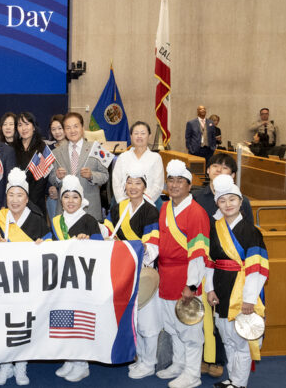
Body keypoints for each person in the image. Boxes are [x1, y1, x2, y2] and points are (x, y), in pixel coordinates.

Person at [205, 175, 269, 388]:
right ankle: (232, 379)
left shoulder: (251, 232)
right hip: (222, 288)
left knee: (241, 341)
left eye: (232, 199)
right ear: (217, 204)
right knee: (227, 338)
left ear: (241, 202)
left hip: (242, 291)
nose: (228, 204)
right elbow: (209, 262)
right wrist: (210, 289)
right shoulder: (215, 228)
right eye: (222, 201)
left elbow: (257, 269)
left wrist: (250, 299)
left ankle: (240, 383)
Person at [152, 160, 210, 388]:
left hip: (186, 276)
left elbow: (199, 253)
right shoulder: (165, 207)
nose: (175, 185)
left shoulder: (197, 213)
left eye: (180, 181)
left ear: (189, 185)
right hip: (166, 275)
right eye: (171, 180)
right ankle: (178, 363)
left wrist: (192, 285)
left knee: (190, 329)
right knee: (172, 325)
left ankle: (192, 374)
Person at [101, 165, 161, 380]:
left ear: (144, 187)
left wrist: (138, 249)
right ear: (124, 185)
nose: (133, 187)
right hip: (124, 271)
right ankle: (141, 357)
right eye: (130, 182)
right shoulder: (119, 207)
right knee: (133, 318)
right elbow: (107, 231)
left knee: (148, 321)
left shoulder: (150, 210)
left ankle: (150, 362)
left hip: (143, 271)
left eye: (138, 183)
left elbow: (152, 245)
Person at [43, 174, 103, 383]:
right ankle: (70, 357)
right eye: (66, 197)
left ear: (81, 199)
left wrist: (87, 243)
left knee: (80, 320)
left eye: (74, 197)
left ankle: (82, 363)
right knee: (64, 319)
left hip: (82, 282)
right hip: (61, 280)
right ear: (61, 200)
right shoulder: (57, 221)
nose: (70, 201)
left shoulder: (89, 221)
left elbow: (100, 252)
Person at [48, 112, 109, 221]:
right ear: (65, 131)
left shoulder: (96, 148)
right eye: (68, 128)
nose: (72, 131)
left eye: (76, 126)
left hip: (89, 209)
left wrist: (91, 176)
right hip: (65, 210)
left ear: (82, 128)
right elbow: (52, 179)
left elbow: (105, 176)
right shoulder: (56, 152)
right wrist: (57, 177)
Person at [0, 168, 50, 244]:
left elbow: (49, 242)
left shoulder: (37, 220)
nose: (15, 200)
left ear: (26, 199)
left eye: (19, 195)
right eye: (11, 195)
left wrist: (42, 245)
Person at [111, 121, 164, 205]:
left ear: (149, 136)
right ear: (131, 136)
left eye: (143, 133)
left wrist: (142, 202)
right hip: (124, 201)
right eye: (136, 133)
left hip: (149, 202)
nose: (139, 136)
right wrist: (123, 201)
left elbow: (158, 185)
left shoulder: (156, 158)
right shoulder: (123, 157)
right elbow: (116, 182)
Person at [193, 153, 254, 225]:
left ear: (232, 175)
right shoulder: (195, 197)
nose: (218, 170)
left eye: (225, 168)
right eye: (215, 166)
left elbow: (249, 231)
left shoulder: (242, 201)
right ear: (208, 170)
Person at [13, 112, 48, 215]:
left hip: (35, 203)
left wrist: (27, 201)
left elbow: (42, 180)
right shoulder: (12, 148)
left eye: (27, 124)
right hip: (15, 203)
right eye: (20, 125)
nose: (24, 128)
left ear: (33, 127)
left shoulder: (42, 147)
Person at [45, 114, 66, 219]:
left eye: (60, 128)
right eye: (53, 129)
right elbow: (45, 173)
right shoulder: (48, 149)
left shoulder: (74, 146)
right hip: (54, 196)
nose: (57, 132)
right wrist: (50, 188)